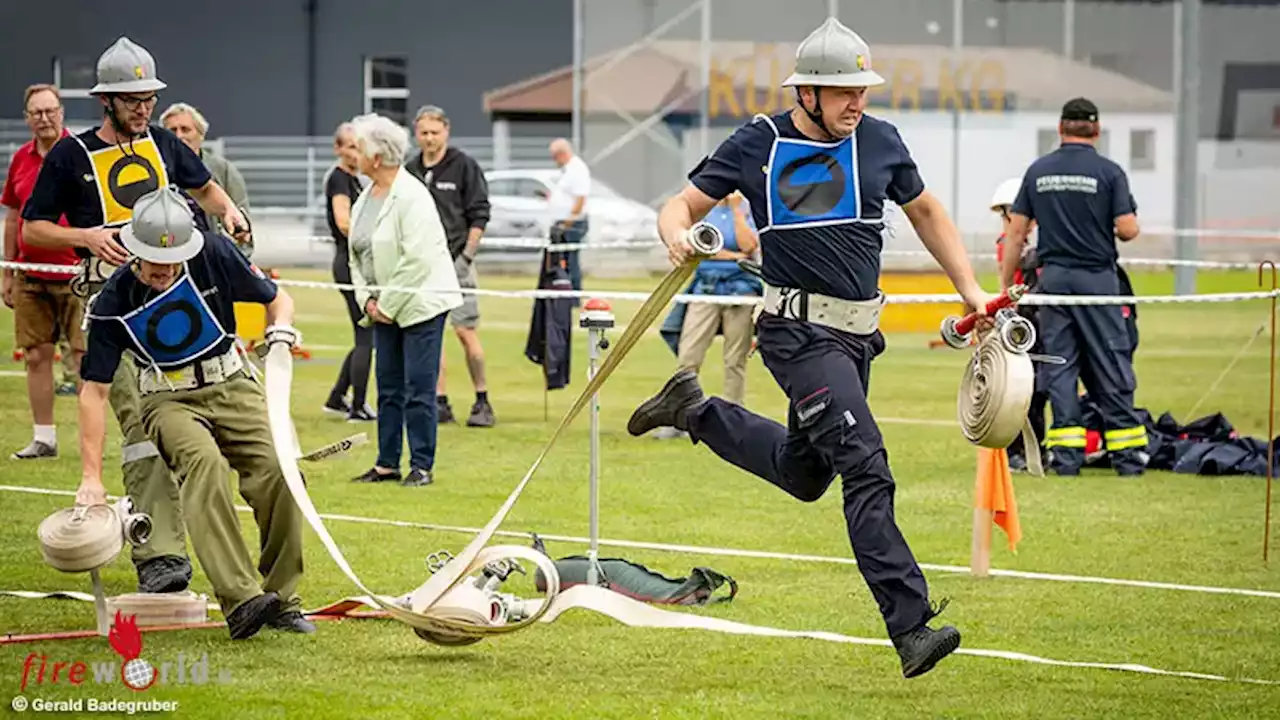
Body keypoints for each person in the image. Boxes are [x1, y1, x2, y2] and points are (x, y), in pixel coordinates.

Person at [626, 18, 993, 679]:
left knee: (805, 475)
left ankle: (692, 409)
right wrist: (677, 234)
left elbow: (929, 213)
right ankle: (910, 627)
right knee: (867, 466)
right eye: (844, 92)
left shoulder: (881, 140)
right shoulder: (757, 142)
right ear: (808, 94)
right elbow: (679, 206)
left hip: (857, 338)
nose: (858, 103)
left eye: (863, 91)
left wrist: (969, 290)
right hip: (797, 336)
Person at [20, 36, 250, 594]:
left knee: (189, 419)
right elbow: (31, 227)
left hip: (177, 300)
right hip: (111, 306)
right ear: (106, 100)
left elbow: (208, 187)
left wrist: (233, 215)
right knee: (139, 425)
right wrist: (86, 236)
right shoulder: (71, 156)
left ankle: (215, 548)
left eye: (148, 96)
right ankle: (161, 555)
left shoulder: (168, 143)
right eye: (132, 98)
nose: (143, 107)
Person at [74, 187, 310, 639]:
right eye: (151, 259)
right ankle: (241, 600)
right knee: (203, 465)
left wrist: (280, 331)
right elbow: (93, 392)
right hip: (167, 399)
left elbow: (276, 299)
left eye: (172, 258)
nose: (162, 268)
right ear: (132, 250)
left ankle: (282, 599)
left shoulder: (215, 251)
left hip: (233, 384)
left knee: (281, 471)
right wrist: (90, 477)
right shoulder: (112, 302)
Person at [1002, 98, 1148, 477]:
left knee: (1060, 365)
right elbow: (1128, 228)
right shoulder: (1109, 172)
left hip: (1053, 281)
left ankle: (1067, 458)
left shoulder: (1038, 171)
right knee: (1111, 360)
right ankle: (1128, 457)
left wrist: (1007, 286)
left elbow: (1016, 233)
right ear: (1096, 131)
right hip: (1097, 281)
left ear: (1061, 128)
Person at [346, 113, 462, 488]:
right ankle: (386, 462)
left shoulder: (412, 196)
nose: (353, 155)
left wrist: (388, 305)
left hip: (420, 303)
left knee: (418, 387)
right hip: (381, 308)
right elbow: (357, 254)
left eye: (358, 148)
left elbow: (417, 259)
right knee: (389, 385)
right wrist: (367, 301)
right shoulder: (366, 196)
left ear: (376, 157)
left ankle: (422, 464)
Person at [2, 84, 83, 460]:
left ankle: (90, 440)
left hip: (77, 274)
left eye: (50, 111)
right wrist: (8, 270)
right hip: (30, 276)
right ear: (27, 119)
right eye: (37, 113)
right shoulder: (20, 160)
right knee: (36, 355)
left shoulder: (81, 155)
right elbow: (13, 215)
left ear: (61, 113)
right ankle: (44, 438)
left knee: (84, 360)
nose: (44, 118)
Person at [404, 105, 495, 428]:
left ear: (446, 131)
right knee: (431, 334)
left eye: (435, 132)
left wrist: (466, 258)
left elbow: (480, 214)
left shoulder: (464, 166)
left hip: (457, 262)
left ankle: (482, 400)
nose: (429, 139)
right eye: (424, 133)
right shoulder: (410, 169)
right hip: (421, 265)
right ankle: (439, 400)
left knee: (465, 331)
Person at [653, 191, 762, 440]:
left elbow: (749, 245)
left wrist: (736, 212)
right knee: (688, 354)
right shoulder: (704, 211)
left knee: (735, 359)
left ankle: (734, 420)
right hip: (705, 288)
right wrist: (734, 256)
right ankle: (679, 417)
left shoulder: (748, 209)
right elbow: (699, 247)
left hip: (740, 290)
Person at [990, 178, 1047, 472]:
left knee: (1037, 392)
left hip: (1033, 321)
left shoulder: (1029, 247)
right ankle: (1015, 451)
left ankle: (1036, 449)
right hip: (1016, 324)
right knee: (1017, 390)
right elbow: (1012, 282)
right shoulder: (1008, 246)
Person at [321, 122, 375, 422]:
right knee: (366, 333)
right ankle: (358, 405)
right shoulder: (340, 179)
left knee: (365, 334)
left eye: (360, 146)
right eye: (351, 147)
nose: (356, 153)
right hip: (348, 264)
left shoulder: (357, 180)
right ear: (339, 149)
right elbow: (343, 221)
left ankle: (337, 396)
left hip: (358, 264)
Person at [159, 102, 254, 258]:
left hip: (212, 256)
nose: (178, 136)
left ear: (201, 135)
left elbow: (242, 222)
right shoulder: (155, 170)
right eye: (172, 130)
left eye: (185, 129)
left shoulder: (224, 171)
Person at [547, 138, 590, 295]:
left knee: (571, 261)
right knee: (563, 261)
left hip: (572, 223)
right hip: (564, 221)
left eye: (554, 156)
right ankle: (564, 293)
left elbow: (580, 200)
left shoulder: (577, 170)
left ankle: (574, 295)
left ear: (562, 154)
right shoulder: (567, 170)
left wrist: (567, 223)